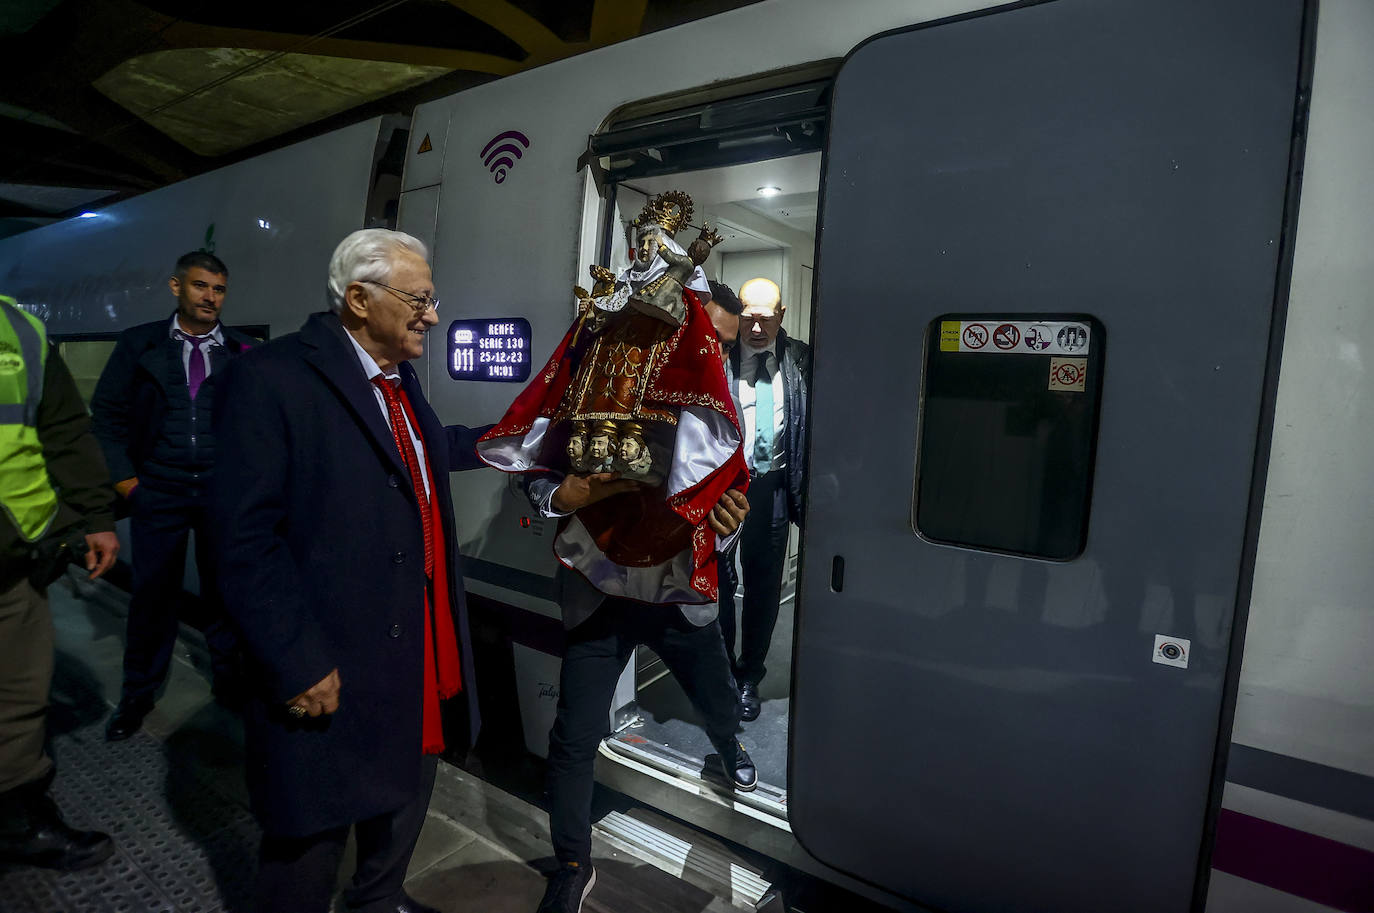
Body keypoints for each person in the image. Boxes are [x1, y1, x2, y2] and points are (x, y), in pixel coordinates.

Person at [209, 229, 486, 913]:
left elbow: (425, 450)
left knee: (403, 789)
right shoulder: (269, 378)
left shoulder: (398, 381)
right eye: (420, 299)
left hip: (408, 639)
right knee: (310, 839)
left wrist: (523, 439)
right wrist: (295, 658)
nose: (433, 314)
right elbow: (240, 538)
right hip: (326, 651)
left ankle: (378, 899)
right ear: (359, 300)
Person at [91, 251, 255, 741]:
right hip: (157, 491)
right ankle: (138, 694)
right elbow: (107, 417)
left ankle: (229, 685)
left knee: (225, 595)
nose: (211, 297)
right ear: (176, 287)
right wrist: (128, 484)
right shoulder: (139, 345)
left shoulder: (244, 351)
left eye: (219, 289)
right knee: (152, 598)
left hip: (220, 496)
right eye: (201, 286)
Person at [0, 295, 120, 871]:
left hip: (12, 563)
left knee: (20, 695)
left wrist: (94, 518)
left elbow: (67, 433)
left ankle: (17, 819)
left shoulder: (19, 330)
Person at [722, 277, 811, 721]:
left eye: (766, 319)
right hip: (725, 491)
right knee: (719, 584)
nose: (756, 329)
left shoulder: (802, 361)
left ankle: (747, 677)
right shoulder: (717, 360)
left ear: (781, 316)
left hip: (773, 487)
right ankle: (719, 673)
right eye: (749, 318)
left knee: (763, 588)